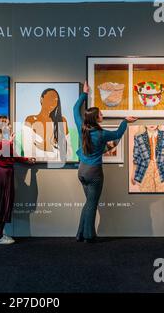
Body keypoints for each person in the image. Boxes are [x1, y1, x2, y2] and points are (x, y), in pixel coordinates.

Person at [73, 81, 138, 242]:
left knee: (89, 202)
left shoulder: (81, 126)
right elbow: (117, 134)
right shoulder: (101, 134)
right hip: (94, 173)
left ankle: (80, 234)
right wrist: (125, 121)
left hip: (81, 171)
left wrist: (84, 93)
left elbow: (75, 109)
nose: (102, 115)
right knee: (92, 204)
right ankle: (89, 236)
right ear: (95, 119)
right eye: (101, 114)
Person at [0, 116, 36, 245]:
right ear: (1, 126)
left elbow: (13, 156)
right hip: (4, 175)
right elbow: (9, 155)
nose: (10, 127)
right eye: (8, 124)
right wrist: (10, 141)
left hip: (2, 174)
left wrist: (26, 159)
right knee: (2, 204)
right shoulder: (2, 142)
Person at [22, 88, 72, 162]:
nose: (53, 102)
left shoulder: (62, 120)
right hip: (37, 166)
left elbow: (68, 151)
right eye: (50, 99)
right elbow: (27, 150)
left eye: (56, 100)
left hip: (58, 167)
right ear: (41, 99)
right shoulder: (30, 120)